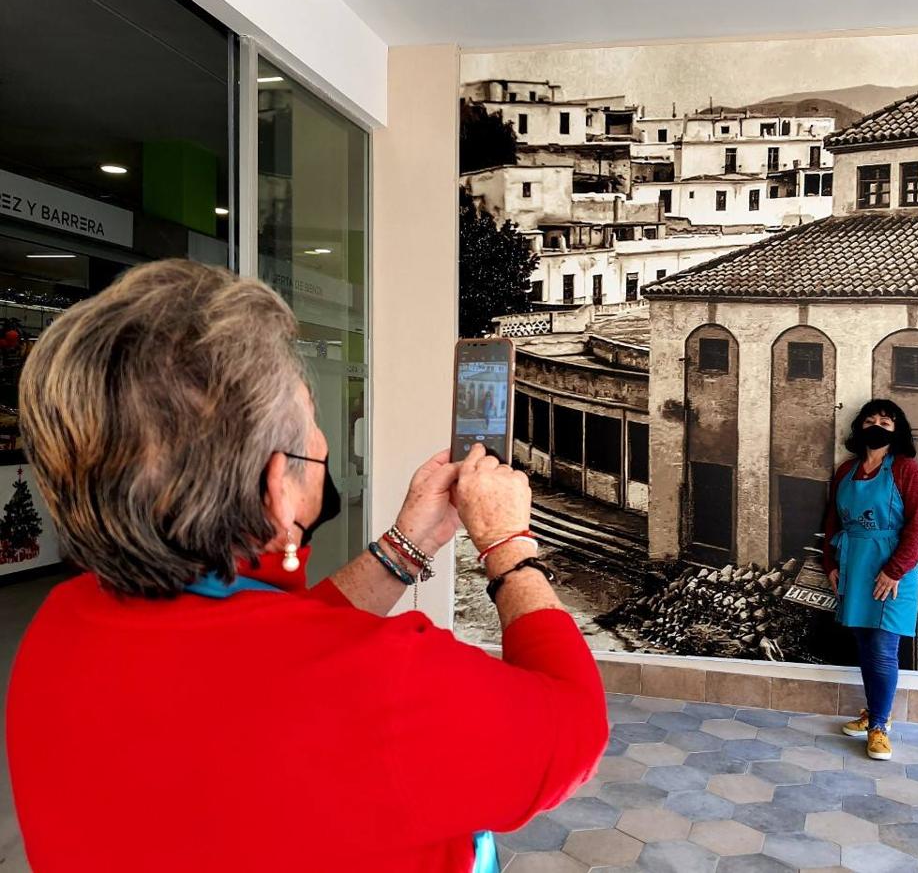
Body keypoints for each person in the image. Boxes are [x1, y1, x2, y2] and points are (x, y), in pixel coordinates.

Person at [6, 260, 608, 873]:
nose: (321, 441)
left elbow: (269, 655)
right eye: (310, 421)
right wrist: (507, 546)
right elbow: (575, 730)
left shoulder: (56, 628)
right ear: (278, 487)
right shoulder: (382, 688)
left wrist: (406, 546)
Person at [823, 398, 918, 761]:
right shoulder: (845, 470)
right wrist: (831, 565)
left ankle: (880, 726)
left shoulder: (907, 470)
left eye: (887, 420)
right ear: (859, 428)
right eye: (871, 419)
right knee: (865, 644)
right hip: (854, 563)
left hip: (892, 571)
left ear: (897, 430)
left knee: (884, 648)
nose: (878, 425)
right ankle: (873, 712)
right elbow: (832, 521)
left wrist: (895, 569)